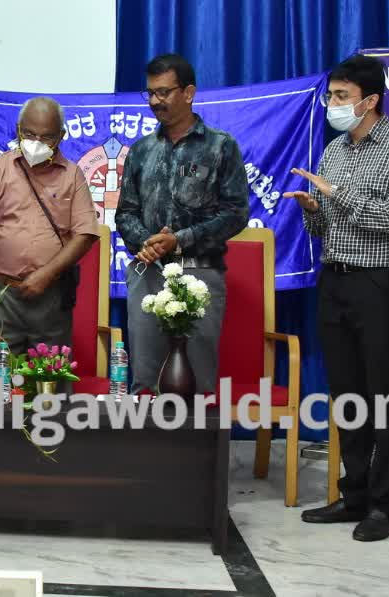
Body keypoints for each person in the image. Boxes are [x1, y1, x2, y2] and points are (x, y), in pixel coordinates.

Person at [285, 54, 389, 542]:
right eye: (331, 96)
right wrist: (313, 209)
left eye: (342, 97)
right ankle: (355, 494)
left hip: (381, 283)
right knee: (346, 393)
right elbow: (325, 227)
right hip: (337, 280)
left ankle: (386, 505)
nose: (333, 104)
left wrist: (337, 194)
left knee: (382, 395)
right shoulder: (335, 150)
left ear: (370, 101)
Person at [115, 54, 249, 396]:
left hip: (199, 274)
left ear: (188, 93)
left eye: (164, 92)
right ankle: (145, 434)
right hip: (148, 273)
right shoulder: (141, 150)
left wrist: (180, 240)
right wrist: (146, 242)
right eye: (150, 93)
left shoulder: (220, 146)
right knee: (146, 381)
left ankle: (196, 433)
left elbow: (236, 213)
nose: (155, 101)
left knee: (196, 381)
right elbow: (125, 213)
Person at [0, 97, 99, 356]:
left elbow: (85, 234)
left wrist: (47, 274)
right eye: (29, 134)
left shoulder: (73, 176)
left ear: (61, 136)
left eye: (47, 137)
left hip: (51, 295)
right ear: (18, 130)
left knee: (49, 374)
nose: (36, 142)